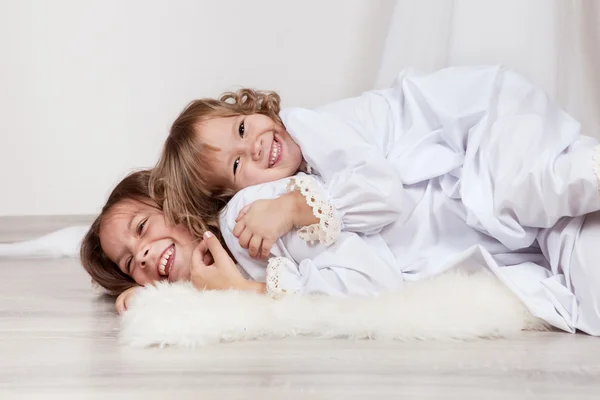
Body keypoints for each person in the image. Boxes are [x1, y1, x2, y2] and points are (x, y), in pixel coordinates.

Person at [145, 65, 600, 335]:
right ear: (235, 192)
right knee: (587, 290)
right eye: (238, 166)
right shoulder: (280, 205)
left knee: (538, 187)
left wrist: (291, 208)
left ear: (255, 110)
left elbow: (384, 194)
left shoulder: (309, 127)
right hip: (494, 221)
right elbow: (362, 279)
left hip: (483, 131)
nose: (256, 147)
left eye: (243, 130)